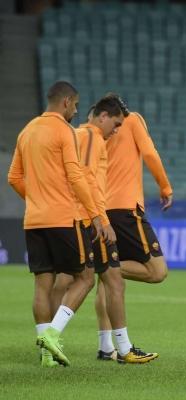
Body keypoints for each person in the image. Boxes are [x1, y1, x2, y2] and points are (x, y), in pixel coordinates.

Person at [50, 97, 159, 364]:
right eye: (116, 124)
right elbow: (86, 178)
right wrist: (101, 219)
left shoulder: (75, 135)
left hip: (72, 216)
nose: (117, 130)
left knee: (84, 279)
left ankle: (55, 335)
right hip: (93, 220)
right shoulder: (91, 137)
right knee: (109, 280)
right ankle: (122, 349)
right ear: (102, 117)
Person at [7, 81, 107, 367]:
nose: (75, 111)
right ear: (66, 102)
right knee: (85, 278)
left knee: (43, 284)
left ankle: (46, 355)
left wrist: (37, 199)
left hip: (34, 220)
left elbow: (14, 178)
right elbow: (76, 176)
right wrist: (96, 215)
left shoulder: (27, 131)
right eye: (75, 105)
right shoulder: (64, 131)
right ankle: (52, 334)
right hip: (63, 218)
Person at [104, 93, 172, 284]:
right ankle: (98, 265)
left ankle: (102, 267)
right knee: (157, 271)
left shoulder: (96, 132)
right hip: (126, 208)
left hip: (102, 210)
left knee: (111, 282)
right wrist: (165, 187)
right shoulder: (133, 119)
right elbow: (149, 153)